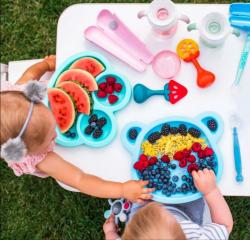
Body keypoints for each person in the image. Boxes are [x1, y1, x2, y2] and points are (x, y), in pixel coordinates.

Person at [0, 56, 154, 202]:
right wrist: (121, 189)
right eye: (51, 138)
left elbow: (31, 73)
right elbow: (80, 179)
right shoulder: (41, 160)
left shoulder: (22, 93)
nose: (56, 133)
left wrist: (46, 65)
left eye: (54, 124)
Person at [103, 169, 233, 240]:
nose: (160, 205)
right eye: (164, 214)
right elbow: (224, 225)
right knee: (194, 192)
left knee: (139, 191)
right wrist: (211, 191)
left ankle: (140, 209)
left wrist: (110, 233)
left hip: (142, 204)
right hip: (186, 211)